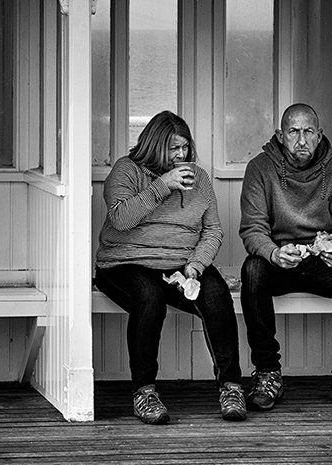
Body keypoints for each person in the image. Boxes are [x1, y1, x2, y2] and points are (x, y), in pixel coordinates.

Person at [237, 103, 332, 410]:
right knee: (252, 270)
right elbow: (252, 229)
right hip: (280, 261)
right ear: (281, 136)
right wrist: (273, 253)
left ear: (320, 135)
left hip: (323, 263)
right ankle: (268, 373)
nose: (302, 140)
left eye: (309, 132)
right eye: (294, 132)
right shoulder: (260, 168)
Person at [96, 111, 248, 424]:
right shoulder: (127, 170)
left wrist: (196, 264)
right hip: (125, 261)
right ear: (154, 146)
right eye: (173, 149)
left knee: (217, 295)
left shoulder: (199, 178)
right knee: (149, 300)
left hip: (180, 263)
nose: (181, 156)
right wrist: (163, 184)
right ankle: (144, 392)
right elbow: (121, 219)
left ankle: (231, 386)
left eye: (185, 149)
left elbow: (213, 230)